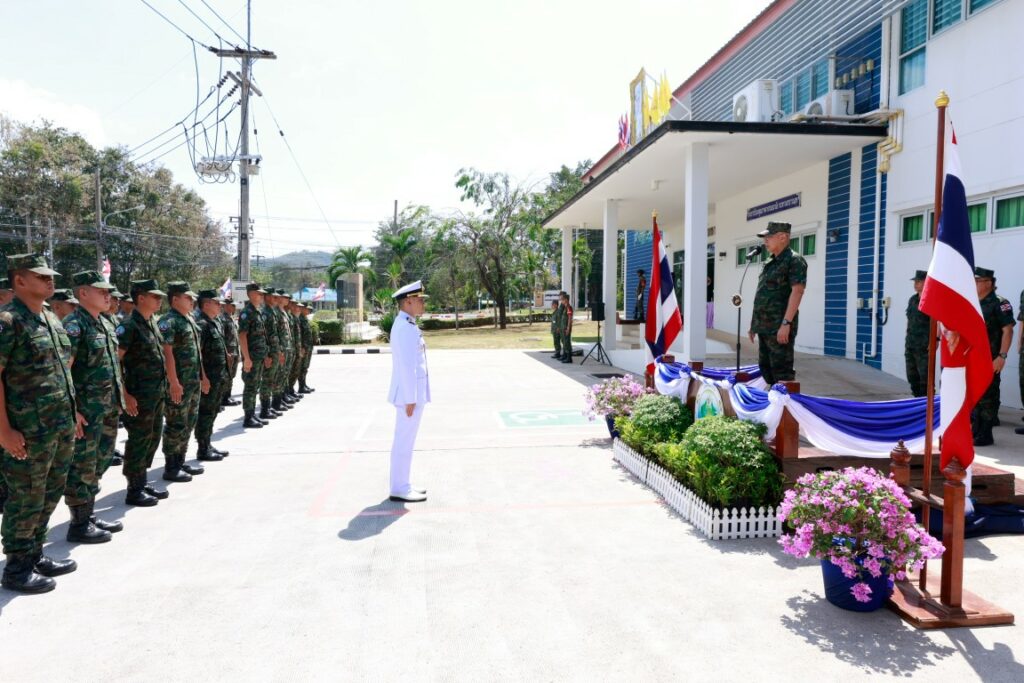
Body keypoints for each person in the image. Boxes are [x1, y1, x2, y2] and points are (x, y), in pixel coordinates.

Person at [0, 254, 78, 593]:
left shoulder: (49, 317)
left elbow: (60, 371)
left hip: (58, 426)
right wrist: (4, 431)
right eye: (41, 276)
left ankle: (34, 554)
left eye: (50, 276)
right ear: (19, 281)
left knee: (49, 492)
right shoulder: (8, 321)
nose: (50, 281)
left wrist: (72, 414)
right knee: (25, 497)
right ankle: (16, 569)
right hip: (27, 431)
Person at [62, 270, 126, 544]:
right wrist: (72, 410)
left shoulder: (105, 323)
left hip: (106, 408)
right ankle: (78, 524)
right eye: (101, 291)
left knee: (100, 461)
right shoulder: (74, 325)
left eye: (108, 292)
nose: (107, 296)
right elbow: (65, 370)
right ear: (83, 293)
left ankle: (88, 514)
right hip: (86, 412)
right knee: (82, 466)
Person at [117, 279, 170, 506]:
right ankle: (134, 488)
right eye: (155, 296)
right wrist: (124, 394)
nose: (159, 300)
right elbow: (115, 361)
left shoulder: (152, 323)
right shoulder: (129, 326)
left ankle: (142, 480)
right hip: (138, 397)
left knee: (153, 437)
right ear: (140, 298)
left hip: (155, 394)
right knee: (139, 440)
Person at [158, 282, 210, 481]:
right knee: (176, 424)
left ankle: (180, 460)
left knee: (189, 421)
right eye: (187, 297)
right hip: (178, 384)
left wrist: (203, 376)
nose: (192, 300)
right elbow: (167, 353)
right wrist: (173, 382)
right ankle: (171, 466)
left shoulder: (188, 319)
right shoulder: (168, 322)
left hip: (192, 382)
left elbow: (197, 352)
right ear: (175, 299)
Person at [748, 221, 807, 385]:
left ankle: (784, 400)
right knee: (766, 369)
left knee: (782, 373)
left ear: (783, 237)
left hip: (779, 327)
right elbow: (762, 294)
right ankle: (774, 398)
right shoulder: (769, 262)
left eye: (769, 237)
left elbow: (797, 291)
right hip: (764, 327)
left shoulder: (794, 260)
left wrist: (786, 323)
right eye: (764, 238)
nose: (765, 241)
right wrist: (754, 325)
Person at [387, 280, 430, 503]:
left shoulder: (408, 324)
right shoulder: (404, 327)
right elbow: (406, 366)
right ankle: (399, 487)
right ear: (408, 301)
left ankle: (403, 483)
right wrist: (410, 398)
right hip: (408, 396)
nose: (423, 303)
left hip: (410, 394)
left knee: (406, 441)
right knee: (403, 441)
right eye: (419, 300)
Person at [972, 267, 1014, 447]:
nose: (974, 284)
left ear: (988, 283)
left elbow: (1008, 330)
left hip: (991, 358)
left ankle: (986, 433)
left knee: (988, 395)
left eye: (977, 281)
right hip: (972, 357)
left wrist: (1001, 356)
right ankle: (976, 429)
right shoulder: (972, 301)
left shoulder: (999, 303)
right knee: (975, 394)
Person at [194, 290, 230, 461]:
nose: (220, 305)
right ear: (206, 304)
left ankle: (207, 444)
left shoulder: (213, 322)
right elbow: (198, 354)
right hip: (208, 378)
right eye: (216, 303)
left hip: (218, 377)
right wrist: (203, 377)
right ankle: (202, 448)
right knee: (205, 413)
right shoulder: (201, 324)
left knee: (213, 411)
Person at [238, 283, 271, 428]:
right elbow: (242, 336)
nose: (262, 296)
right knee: (250, 387)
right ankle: (248, 417)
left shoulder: (257, 312)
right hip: (251, 357)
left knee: (255, 385)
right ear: (251, 294)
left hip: (259, 357)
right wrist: (246, 358)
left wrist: (265, 355)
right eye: (259, 293)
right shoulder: (247, 313)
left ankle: (252, 415)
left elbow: (262, 337)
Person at [905, 270, 932, 397]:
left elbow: (936, 322)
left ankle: (926, 403)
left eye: (919, 281)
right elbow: (909, 320)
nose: (915, 284)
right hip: (911, 344)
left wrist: (936, 340)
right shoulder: (913, 300)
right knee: (912, 376)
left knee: (925, 378)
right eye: (915, 281)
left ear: (926, 282)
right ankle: (916, 400)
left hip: (924, 345)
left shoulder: (931, 300)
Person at [260, 289, 282, 421]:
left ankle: (268, 407)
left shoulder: (271, 312)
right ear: (267, 297)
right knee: (267, 381)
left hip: (274, 351)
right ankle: (264, 409)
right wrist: (266, 355)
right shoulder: (265, 313)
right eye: (274, 297)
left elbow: (275, 334)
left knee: (271, 380)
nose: (276, 299)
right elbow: (263, 336)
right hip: (269, 352)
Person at [219, 298, 241, 407]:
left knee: (231, 375)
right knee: (226, 375)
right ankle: (223, 398)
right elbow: (222, 338)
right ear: (226, 306)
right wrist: (226, 353)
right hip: (229, 352)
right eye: (233, 305)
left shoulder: (231, 318)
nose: (234, 307)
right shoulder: (223, 319)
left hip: (234, 351)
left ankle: (228, 396)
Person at [297, 303, 316, 393]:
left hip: (308, 347)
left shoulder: (305, 319)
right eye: (307, 309)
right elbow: (300, 334)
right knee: (302, 367)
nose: (309, 310)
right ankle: (301, 386)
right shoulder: (300, 319)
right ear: (302, 309)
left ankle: (303, 384)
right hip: (304, 347)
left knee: (305, 367)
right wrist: (301, 347)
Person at [559, 291, 574, 364]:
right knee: (564, 342)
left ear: (566, 300)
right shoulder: (565, 308)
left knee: (567, 342)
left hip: (566, 328)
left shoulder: (568, 307)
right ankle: (565, 356)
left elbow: (570, 318)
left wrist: (568, 328)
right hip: (563, 327)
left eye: (562, 299)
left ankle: (569, 358)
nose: (561, 301)